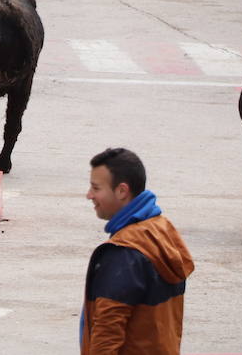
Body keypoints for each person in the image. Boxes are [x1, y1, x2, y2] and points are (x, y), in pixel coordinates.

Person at [82, 148, 193, 355]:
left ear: (122, 191)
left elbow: (107, 335)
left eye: (96, 188)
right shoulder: (162, 230)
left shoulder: (123, 254)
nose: (89, 195)